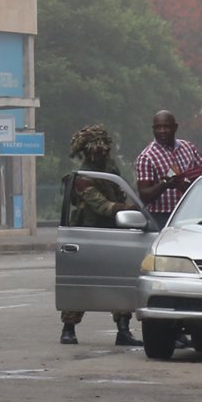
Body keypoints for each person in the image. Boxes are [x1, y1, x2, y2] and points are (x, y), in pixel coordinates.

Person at [58, 124, 141, 347]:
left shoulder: (111, 173)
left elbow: (121, 194)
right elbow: (102, 206)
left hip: (114, 233)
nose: (102, 154)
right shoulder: (82, 178)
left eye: (104, 150)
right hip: (87, 234)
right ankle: (69, 329)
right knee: (80, 284)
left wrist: (131, 207)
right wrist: (127, 208)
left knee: (121, 285)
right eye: (97, 150)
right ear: (88, 152)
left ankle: (123, 329)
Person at [134, 110, 202, 226]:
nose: (162, 131)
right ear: (153, 129)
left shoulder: (188, 147)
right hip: (162, 217)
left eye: (166, 127)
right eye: (158, 128)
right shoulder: (147, 157)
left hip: (190, 214)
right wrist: (164, 184)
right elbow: (144, 195)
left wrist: (187, 183)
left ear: (175, 127)